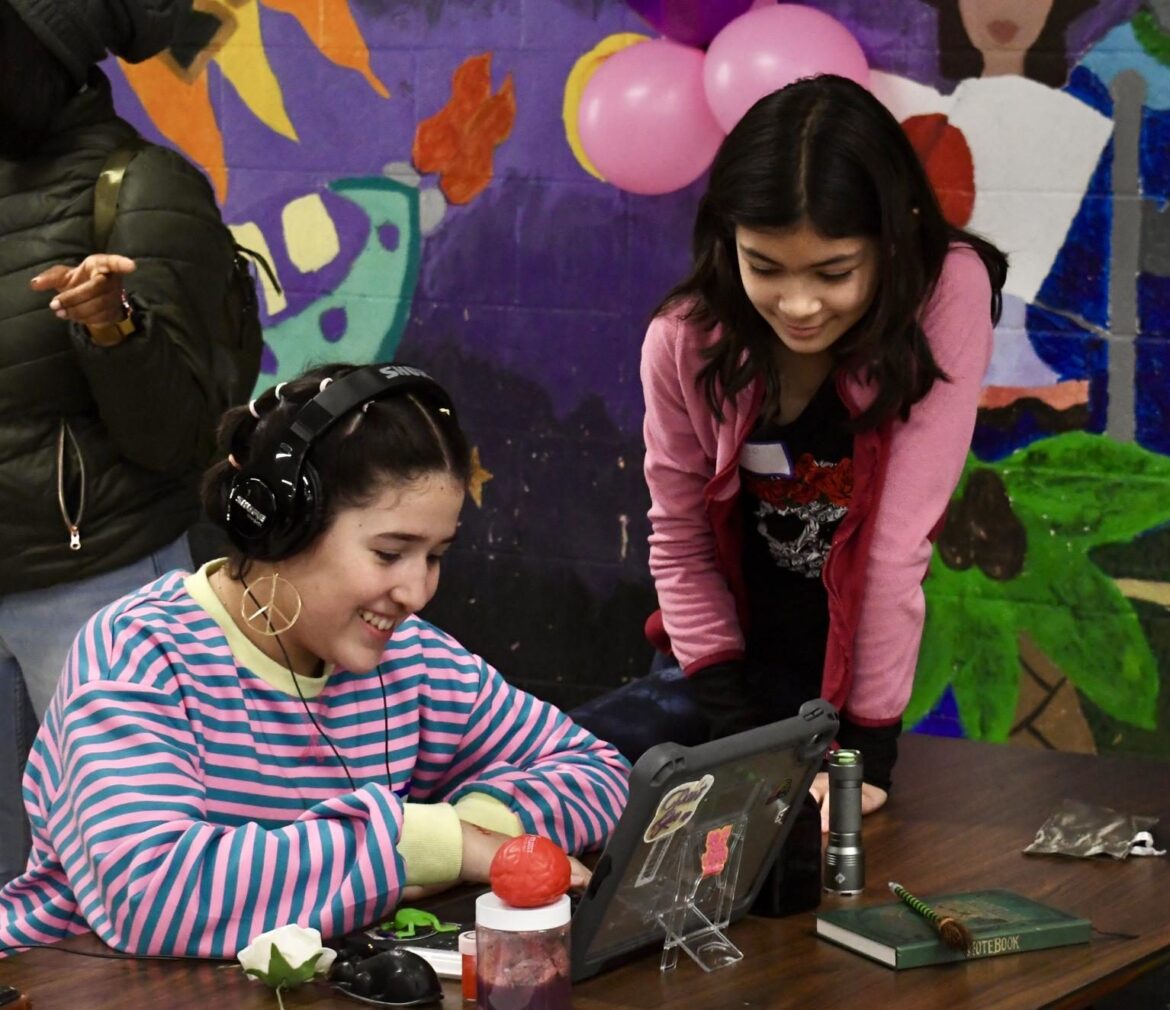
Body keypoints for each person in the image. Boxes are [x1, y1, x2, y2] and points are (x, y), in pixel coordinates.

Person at [0, 362, 631, 959]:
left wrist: (478, 833)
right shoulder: (139, 654)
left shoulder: (410, 658)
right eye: (390, 553)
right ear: (282, 527)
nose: (416, 592)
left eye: (435, 555)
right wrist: (429, 846)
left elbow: (600, 771)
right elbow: (152, 897)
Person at [572, 74, 1007, 828]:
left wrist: (866, 751)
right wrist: (733, 727)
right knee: (580, 780)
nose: (799, 305)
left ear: (893, 238)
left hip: (849, 677)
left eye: (833, 272)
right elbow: (679, 540)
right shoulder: (684, 340)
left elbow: (893, 547)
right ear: (727, 239)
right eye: (764, 267)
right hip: (721, 667)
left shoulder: (946, 291)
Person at [0, 0, 248, 885]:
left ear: (42, 55)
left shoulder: (141, 188)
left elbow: (182, 435)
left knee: (123, 881)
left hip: (94, 589)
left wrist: (114, 330)